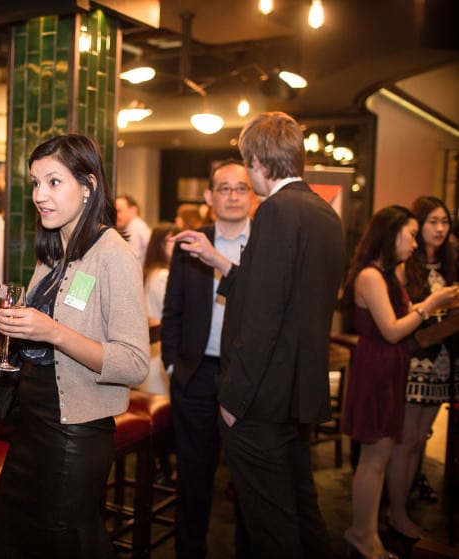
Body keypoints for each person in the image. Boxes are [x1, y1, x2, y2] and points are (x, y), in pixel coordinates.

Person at [0, 133, 149, 558]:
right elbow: (23, 333)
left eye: (53, 182)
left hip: (75, 434)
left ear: (88, 186)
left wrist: (54, 332)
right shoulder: (53, 253)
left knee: (61, 542)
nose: (39, 195)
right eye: (35, 183)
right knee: (12, 539)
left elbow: (134, 362)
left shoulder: (113, 254)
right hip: (32, 426)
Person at [175, 111, 344, 558]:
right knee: (302, 512)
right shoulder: (323, 213)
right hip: (294, 392)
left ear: (257, 163)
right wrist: (220, 263)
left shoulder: (275, 212)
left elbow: (262, 318)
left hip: (260, 398)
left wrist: (234, 399)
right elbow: (285, 295)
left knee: (271, 526)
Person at [340, 204, 457, 559]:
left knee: (382, 454)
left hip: (390, 366)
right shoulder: (370, 276)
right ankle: (363, 536)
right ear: (391, 234)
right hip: (376, 366)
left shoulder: (390, 275)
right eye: (411, 234)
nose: (414, 243)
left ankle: (366, 532)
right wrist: (430, 303)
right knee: (373, 459)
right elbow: (391, 330)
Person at [162, 159, 254, 559]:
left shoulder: (266, 245)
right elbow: (173, 310)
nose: (232, 195)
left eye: (241, 188)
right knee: (193, 478)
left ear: (253, 195)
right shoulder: (190, 243)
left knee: (248, 480)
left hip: (247, 376)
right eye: (224, 188)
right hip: (196, 373)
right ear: (209, 196)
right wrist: (172, 364)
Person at [386, 196, 457, 539]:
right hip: (413, 360)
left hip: (442, 362)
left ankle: (403, 508)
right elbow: (396, 319)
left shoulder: (450, 266)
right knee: (406, 440)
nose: (440, 229)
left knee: (419, 441)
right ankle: (396, 513)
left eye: (444, 222)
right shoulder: (405, 267)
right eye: (432, 222)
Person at [140, 221, 181, 395]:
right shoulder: (163, 276)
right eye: (174, 241)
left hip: (153, 352)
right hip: (159, 353)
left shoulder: (151, 272)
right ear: (160, 245)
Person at [116, 194, 151, 266]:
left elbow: (130, 260)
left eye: (119, 211)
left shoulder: (135, 228)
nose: (116, 215)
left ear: (133, 210)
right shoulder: (137, 226)